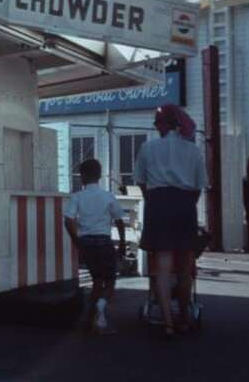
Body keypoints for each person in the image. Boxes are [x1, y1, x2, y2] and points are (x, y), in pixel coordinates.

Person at [133, 104, 207, 337]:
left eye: (157, 124)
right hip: (185, 204)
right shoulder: (193, 151)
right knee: (185, 266)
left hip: (158, 203)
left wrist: (154, 201)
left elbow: (141, 181)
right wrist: (185, 204)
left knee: (162, 266)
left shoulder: (147, 148)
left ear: (162, 125)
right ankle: (184, 316)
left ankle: (167, 322)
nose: (157, 128)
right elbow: (198, 186)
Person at [63, 158, 126, 335]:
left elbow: (68, 220)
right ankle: (99, 308)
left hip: (86, 242)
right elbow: (119, 220)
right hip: (104, 241)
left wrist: (76, 240)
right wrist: (121, 243)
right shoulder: (108, 196)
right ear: (99, 175)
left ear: (82, 177)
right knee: (111, 281)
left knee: (97, 280)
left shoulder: (77, 197)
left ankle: (94, 320)